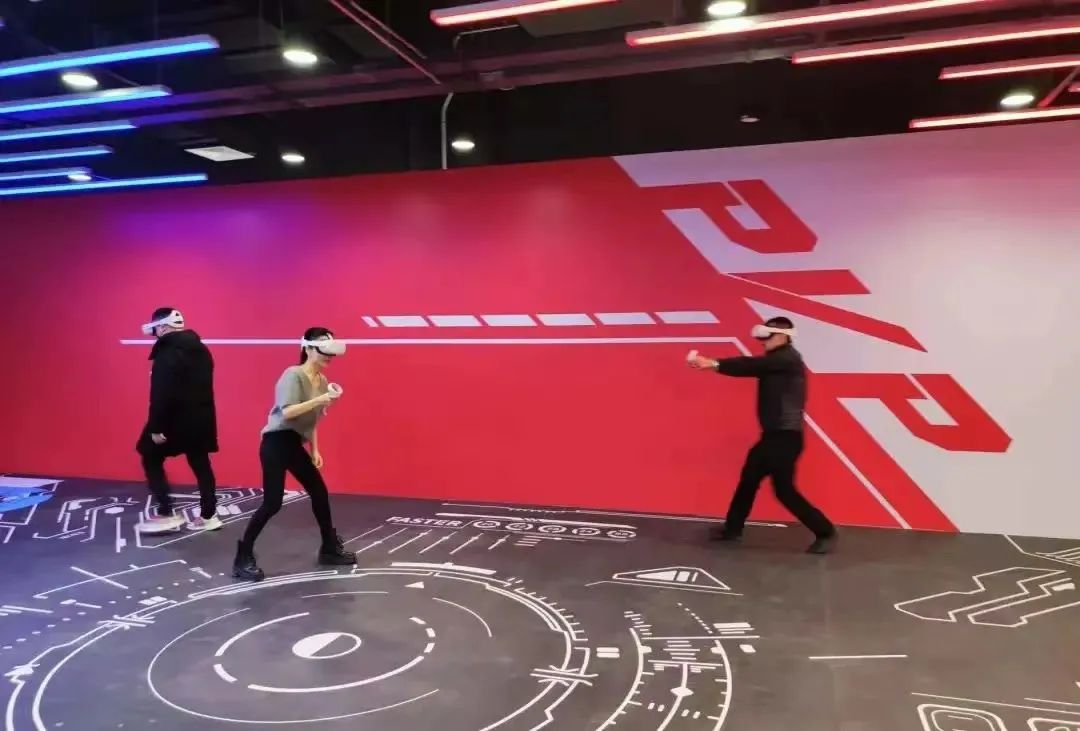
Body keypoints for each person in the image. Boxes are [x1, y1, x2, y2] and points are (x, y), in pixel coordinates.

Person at [688, 316, 837, 554]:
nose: (762, 341)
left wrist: (713, 363)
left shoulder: (787, 359)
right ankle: (732, 530)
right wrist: (714, 365)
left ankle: (825, 531)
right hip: (773, 437)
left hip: (785, 438)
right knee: (749, 480)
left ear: (782, 336)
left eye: (766, 336)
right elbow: (751, 367)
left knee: (784, 490)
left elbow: (749, 366)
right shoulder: (777, 361)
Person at [233, 328, 356, 581]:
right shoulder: (293, 375)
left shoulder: (322, 381)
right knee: (273, 502)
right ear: (308, 348)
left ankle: (329, 547)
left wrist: (315, 449)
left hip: (294, 444)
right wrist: (320, 400)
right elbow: (287, 412)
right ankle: (243, 556)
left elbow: (311, 421)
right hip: (276, 442)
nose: (329, 356)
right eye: (324, 349)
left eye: (331, 350)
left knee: (319, 492)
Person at [135, 308, 221, 534]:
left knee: (149, 454)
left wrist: (156, 426)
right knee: (200, 462)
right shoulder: (200, 348)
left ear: (163, 326)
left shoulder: (167, 351)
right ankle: (209, 516)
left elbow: (161, 392)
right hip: (201, 418)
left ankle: (166, 512)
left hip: (175, 419)